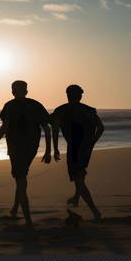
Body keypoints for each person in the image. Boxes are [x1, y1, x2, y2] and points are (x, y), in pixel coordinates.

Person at [0, 80, 52, 229]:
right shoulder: (36, 105)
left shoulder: (9, 106)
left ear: (12, 91)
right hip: (31, 148)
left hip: (16, 148)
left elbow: (4, 126)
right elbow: (47, 128)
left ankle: (28, 220)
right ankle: (15, 209)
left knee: (21, 179)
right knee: (20, 176)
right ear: (26, 91)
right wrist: (48, 150)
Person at [51, 84, 104, 220]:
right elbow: (101, 128)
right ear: (80, 95)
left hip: (74, 148)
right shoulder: (88, 110)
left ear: (67, 95)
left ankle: (95, 212)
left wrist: (55, 148)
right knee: (79, 175)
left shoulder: (62, 110)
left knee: (79, 179)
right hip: (86, 148)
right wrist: (92, 142)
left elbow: (55, 129)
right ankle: (76, 198)